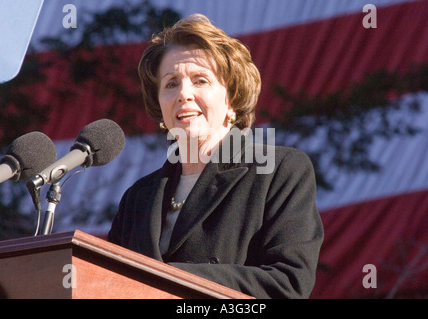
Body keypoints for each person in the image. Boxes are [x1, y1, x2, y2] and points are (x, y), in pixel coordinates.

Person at [107, 14, 324, 299]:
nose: (184, 93)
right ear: (160, 107)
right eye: (171, 83)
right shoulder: (137, 199)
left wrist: (164, 281)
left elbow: (287, 284)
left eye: (200, 80)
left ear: (231, 100)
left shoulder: (277, 172)